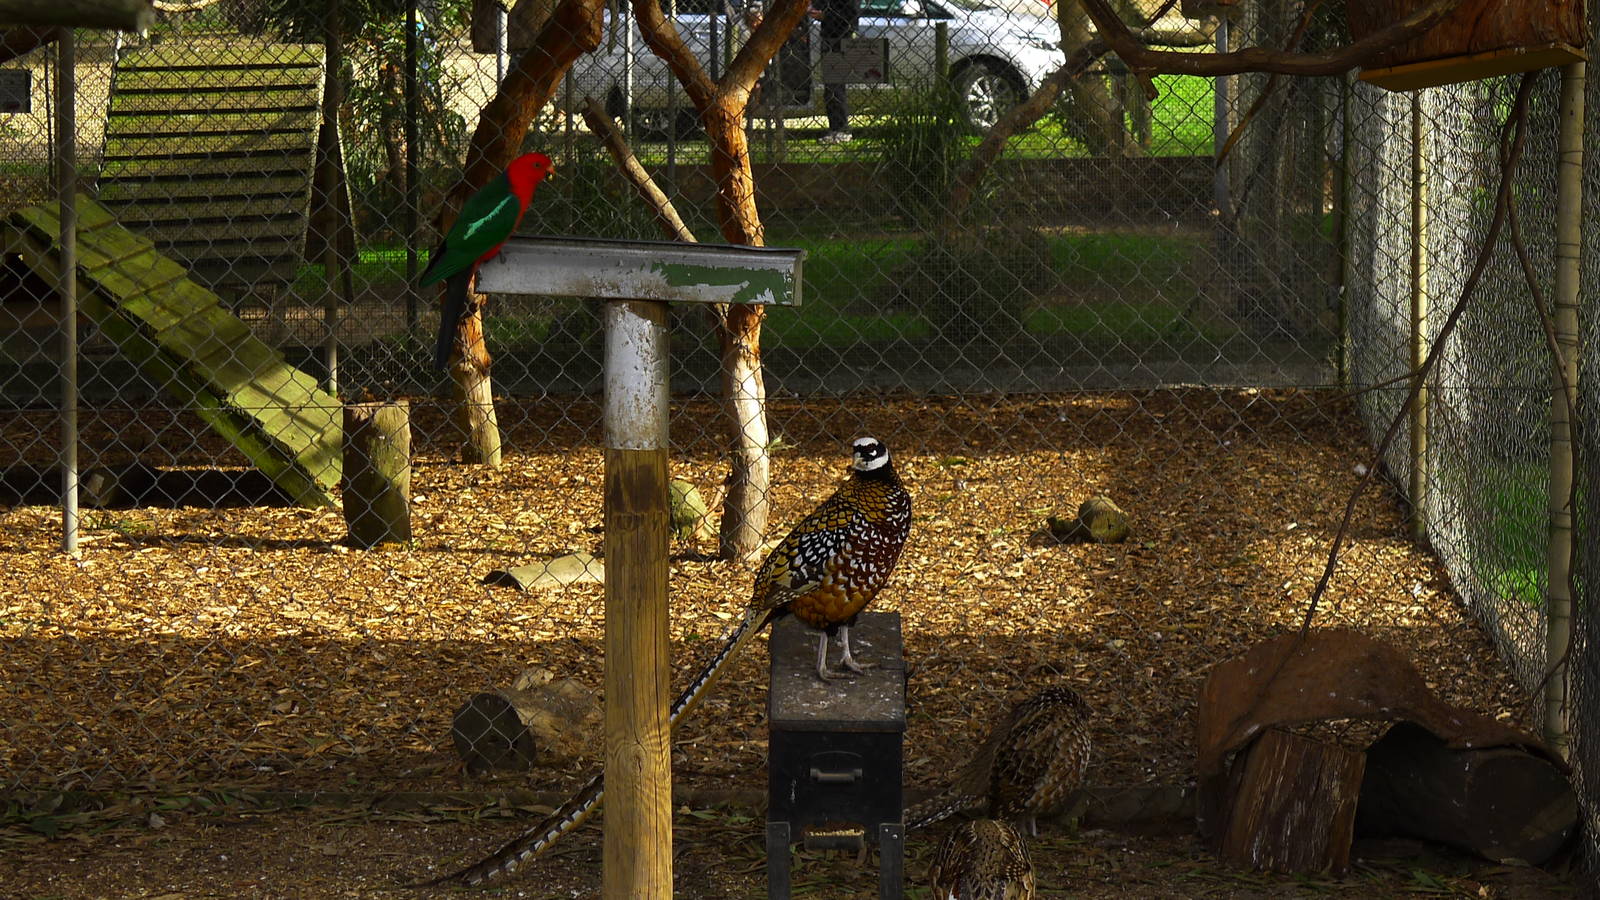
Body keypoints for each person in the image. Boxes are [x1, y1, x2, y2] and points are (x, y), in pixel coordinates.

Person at [815, 0, 860, 143]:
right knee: (831, 87)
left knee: (835, 86)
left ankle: (841, 129)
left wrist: (825, 15)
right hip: (829, 36)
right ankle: (835, 128)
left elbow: (851, 14)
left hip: (841, 37)